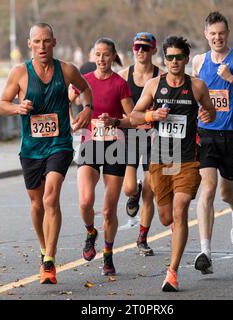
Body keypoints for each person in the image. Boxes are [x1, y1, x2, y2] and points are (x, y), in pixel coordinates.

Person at [0, 23, 93, 285]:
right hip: (30, 148)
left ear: (54, 42)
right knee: (37, 203)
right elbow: (1, 105)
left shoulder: (66, 70)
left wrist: (87, 109)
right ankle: (43, 248)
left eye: (46, 41)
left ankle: (49, 260)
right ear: (29, 44)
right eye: (37, 42)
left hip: (59, 144)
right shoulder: (19, 73)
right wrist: (17, 108)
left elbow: (85, 89)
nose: (42, 46)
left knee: (51, 197)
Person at [131, 36, 216, 292]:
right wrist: (151, 115)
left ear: (186, 59)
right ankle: (175, 233)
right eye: (170, 57)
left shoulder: (198, 86)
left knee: (180, 211)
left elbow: (210, 111)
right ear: (164, 59)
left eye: (179, 57)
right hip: (159, 160)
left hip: (188, 159)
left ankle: (172, 271)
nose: (174, 61)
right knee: (167, 217)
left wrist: (206, 114)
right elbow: (134, 116)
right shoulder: (154, 85)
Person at [191, 11, 233, 275]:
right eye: (212, 34)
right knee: (207, 190)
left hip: (232, 135)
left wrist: (232, 78)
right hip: (206, 134)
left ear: (227, 33)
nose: (217, 38)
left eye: (221, 33)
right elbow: (193, 94)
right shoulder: (198, 62)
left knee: (225, 193)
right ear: (205, 35)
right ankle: (205, 252)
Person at [75, 37, 134, 276]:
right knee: (85, 201)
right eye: (97, 54)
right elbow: (65, 101)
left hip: (114, 148)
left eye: (106, 54)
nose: (101, 59)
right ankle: (91, 232)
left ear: (113, 57)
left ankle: (108, 254)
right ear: (93, 56)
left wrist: (117, 122)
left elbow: (134, 119)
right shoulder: (84, 82)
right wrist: (73, 118)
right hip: (90, 144)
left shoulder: (120, 84)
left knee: (109, 211)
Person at [118, 32, 164, 256]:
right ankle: (133, 192)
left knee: (150, 191)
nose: (141, 51)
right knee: (128, 188)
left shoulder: (162, 77)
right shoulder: (122, 75)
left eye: (146, 48)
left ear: (154, 50)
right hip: (129, 137)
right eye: (137, 47)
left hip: (153, 138)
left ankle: (142, 239)